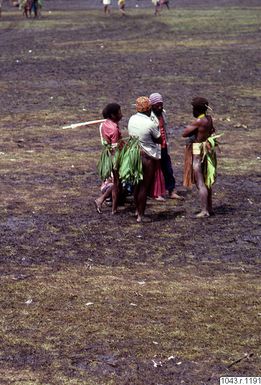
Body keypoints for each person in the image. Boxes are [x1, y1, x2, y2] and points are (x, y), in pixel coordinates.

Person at [183, 97, 218, 218]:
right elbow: (211, 130)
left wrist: (194, 130)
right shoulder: (209, 118)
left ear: (197, 110)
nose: (192, 110)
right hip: (207, 151)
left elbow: (185, 133)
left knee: (200, 182)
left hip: (198, 152)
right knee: (207, 181)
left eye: (193, 108)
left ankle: (204, 211)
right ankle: (210, 208)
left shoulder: (199, 121)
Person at [128, 96, 162, 223]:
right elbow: (159, 139)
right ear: (149, 109)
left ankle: (137, 210)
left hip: (133, 155)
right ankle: (141, 215)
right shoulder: (150, 123)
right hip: (147, 157)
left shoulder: (132, 119)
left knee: (137, 185)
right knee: (144, 187)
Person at [149, 93, 183, 200]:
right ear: (151, 105)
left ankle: (171, 190)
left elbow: (165, 129)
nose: (160, 107)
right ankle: (155, 192)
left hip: (163, 146)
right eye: (157, 105)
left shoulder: (163, 113)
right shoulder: (149, 116)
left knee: (168, 169)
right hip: (154, 147)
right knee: (155, 170)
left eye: (161, 104)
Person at [95, 103, 123, 214]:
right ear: (113, 115)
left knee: (117, 182)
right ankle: (101, 200)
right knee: (117, 182)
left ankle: (114, 209)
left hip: (106, 156)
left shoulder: (103, 125)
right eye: (119, 112)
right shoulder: (114, 129)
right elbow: (115, 147)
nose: (122, 115)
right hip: (114, 157)